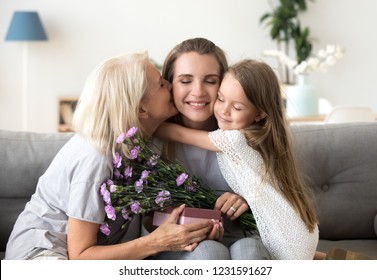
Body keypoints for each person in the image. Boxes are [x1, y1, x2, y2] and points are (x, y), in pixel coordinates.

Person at [5, 52, 218, 260]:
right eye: (161, 84)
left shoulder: (140, 143)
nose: (170, 84)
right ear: (141, 108)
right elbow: (80, 255)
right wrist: (156, 242)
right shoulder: (96, 158)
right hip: (43, 253)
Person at [156, 58, 320, 259]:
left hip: (285, 237)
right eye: (221, 99)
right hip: (298, 231)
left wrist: (146, 123)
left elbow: (179, 134)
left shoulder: (235, 138)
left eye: (237, 107)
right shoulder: (258, 137)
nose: (224, 110)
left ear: (259, 114)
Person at [153, 37, 271, 260]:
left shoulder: (245, 135)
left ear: (224, 83)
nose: (198, 92)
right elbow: (147, 221)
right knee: (209, 251)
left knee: (250, 250)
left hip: (240, 238)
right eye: (185, 81)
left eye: (210, 80)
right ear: (170, 84)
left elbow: (274, 195)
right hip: (180, 245)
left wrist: (247, 199)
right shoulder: (153, 139)